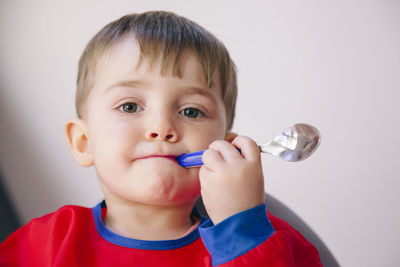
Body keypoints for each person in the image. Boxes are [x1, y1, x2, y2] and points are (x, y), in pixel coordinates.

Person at [0, 11, 322, 266]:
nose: (162, 127)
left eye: (192, 111)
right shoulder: (40, 248)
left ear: (225, 147)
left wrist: (242, 233)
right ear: (84, 142)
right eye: (129, 106)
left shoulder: (271, 244)